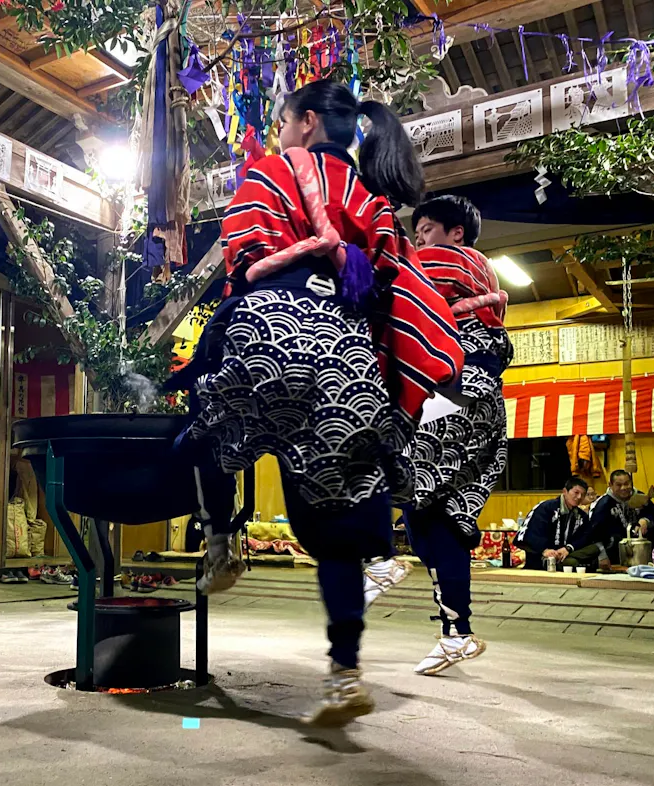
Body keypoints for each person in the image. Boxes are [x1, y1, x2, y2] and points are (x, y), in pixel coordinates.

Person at [171, 80, 463, 724]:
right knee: (337, 531)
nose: (278, 135)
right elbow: (391, 288)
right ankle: (343, 675)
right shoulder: (373, 199)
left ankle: (222, 544)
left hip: (269, 336)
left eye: (281, 123)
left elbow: (245, 253)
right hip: (343, 357)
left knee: (206, 431)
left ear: (305, 123)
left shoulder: (271, 172)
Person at [388, 194, 511, 676]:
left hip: (450, 394)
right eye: (416, 232)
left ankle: (453, 627)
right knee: (443, 518)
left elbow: (394, 294)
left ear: (456, 232)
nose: (419, 238)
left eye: (427, 228)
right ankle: (455, 632)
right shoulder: (482, 270)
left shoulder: (443, 260)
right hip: (482, 403)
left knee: (414, 503)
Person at [577, 470, 654, 571]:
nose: (623, 488)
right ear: (611, 485)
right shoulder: (603, 504)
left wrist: (646, 521)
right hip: (614, 549)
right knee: (614, 539)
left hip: (639, 545)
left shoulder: (640, 497)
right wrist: (602, 556)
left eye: (626, 484)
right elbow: (594, 534)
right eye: (619, 485)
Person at [516, 476, 591, 570]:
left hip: (565, 553)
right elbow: (527, 535)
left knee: (596, 548)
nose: (579, 497)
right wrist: (544, 550)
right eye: (576, 492)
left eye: (583, 494)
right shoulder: (546, 508)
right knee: (572, 563)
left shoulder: (581, 515)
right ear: (565, 491)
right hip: (543, 557)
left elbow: (586, 536)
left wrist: (568, 548)